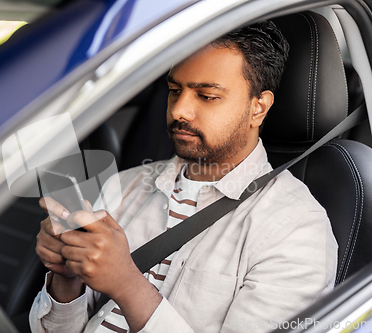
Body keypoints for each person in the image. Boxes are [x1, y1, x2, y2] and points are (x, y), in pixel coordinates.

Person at [30, 21, 338, 333]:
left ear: (258, 108)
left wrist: (126, 285)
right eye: (175, 91)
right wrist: (67, 279)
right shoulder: (125, 186)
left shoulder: (296, 229)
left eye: (206, 96)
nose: (180, 110)